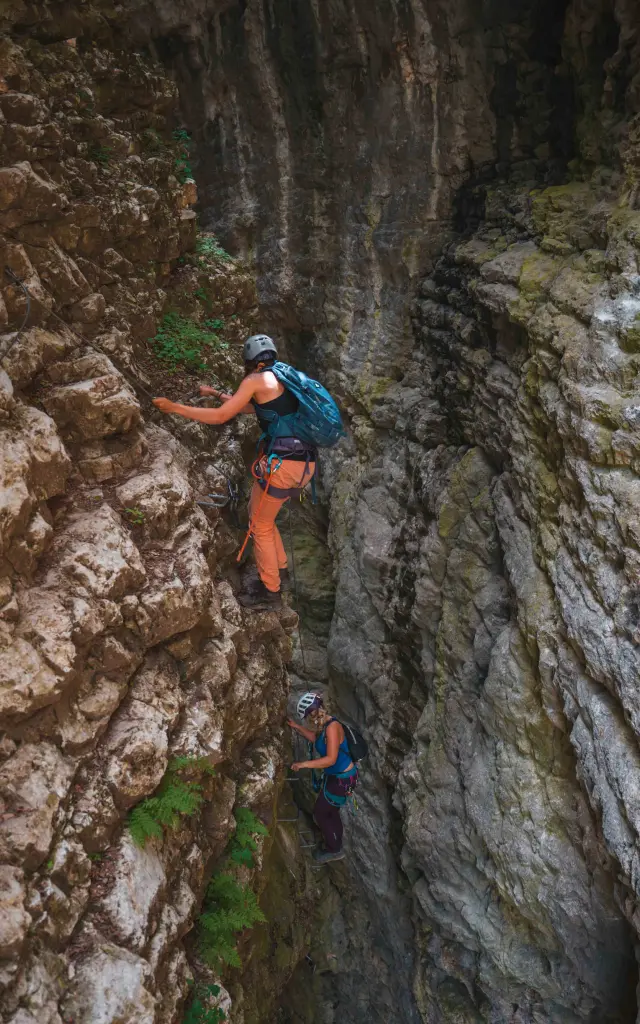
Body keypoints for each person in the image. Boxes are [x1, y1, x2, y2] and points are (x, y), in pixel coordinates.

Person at [153, 334, 316, 609]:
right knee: (261, 514)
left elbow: (221, 416)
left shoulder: (255, 379)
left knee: (260, 525)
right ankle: (281, 570)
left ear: (250, 362)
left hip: (283, 464)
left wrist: (175, 408)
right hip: (304, 462)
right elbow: (252, 408)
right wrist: (216, 394)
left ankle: (271, 591)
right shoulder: (281, 379)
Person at [288, 692, 358, 863]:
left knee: (321, 812)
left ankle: (334, 849)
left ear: (313, 712)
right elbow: (316, 739)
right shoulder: (325, 725)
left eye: (308, 717)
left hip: (342, 780)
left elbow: (330, 759)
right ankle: (335, 843)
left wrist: (303, 764)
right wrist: (297, 728)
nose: (309, 720)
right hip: (338, 778)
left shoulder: (332, 728)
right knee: (330, 811)